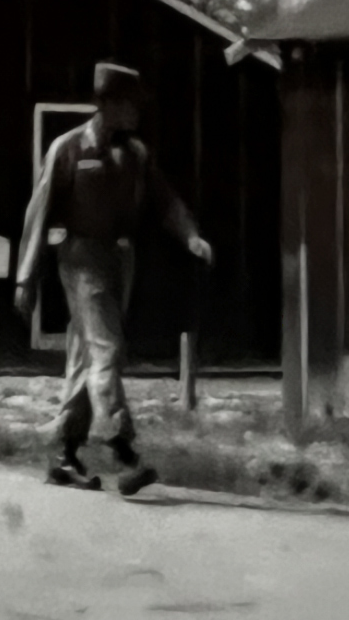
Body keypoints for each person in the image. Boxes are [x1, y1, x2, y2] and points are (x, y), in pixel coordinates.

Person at [14, 62, 212, 496]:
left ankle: (64, 456)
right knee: (108, 348)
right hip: (81, 256)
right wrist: (25, 276)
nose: (137, 112)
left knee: (87, 357)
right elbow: (39, 210)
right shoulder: (68, 148)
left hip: (119, 258)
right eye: (128, 104)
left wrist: (191, 236)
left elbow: (166, 201)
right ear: (105, 104)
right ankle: (124, 450)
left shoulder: (136, 155)